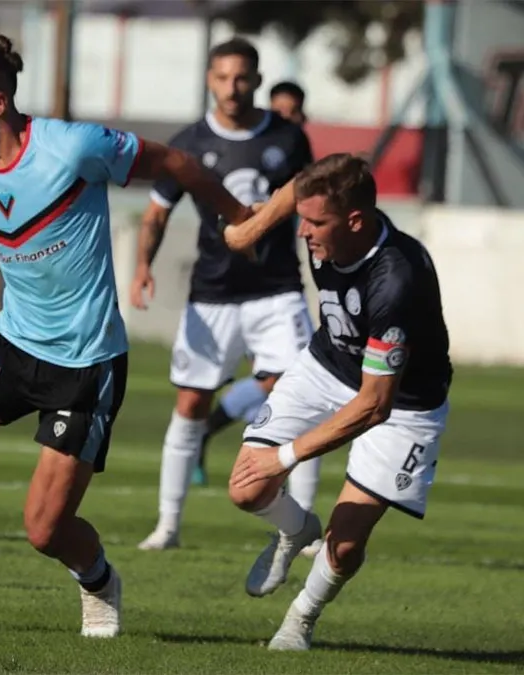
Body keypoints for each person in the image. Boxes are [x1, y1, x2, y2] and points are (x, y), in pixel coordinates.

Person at [0, 35, 254, 639]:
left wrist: (239, 215)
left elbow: (176, 163)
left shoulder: (74, 147)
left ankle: (99, 581)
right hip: (13, 343)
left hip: (85, 363)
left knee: (45, 530)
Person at [222, 153, 453, 650]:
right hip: (327, 366)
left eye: (316, 222)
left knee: (345, 545)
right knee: (245, 490)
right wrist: (253, 228)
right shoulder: (325, 215)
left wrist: (282, 459)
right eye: (302, 218)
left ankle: (298, 622)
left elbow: (375, 405)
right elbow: (298, 189)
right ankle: (294, 530)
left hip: (404, 403)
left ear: (355, 220)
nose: (303, 232)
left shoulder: (397, 280)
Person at [130, 37, 320, 554]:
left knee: (299, 399)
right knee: (191, 403)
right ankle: (167, 526)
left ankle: (302, 529)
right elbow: (157, 213)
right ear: (209, 81)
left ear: (256, 80)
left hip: (277, 291)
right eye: (222, 78)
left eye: (242, 78)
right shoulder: (188, 142)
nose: (232, 88)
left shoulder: (287, 137)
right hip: (212, 294)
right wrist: (143, 266)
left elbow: (311, 205)